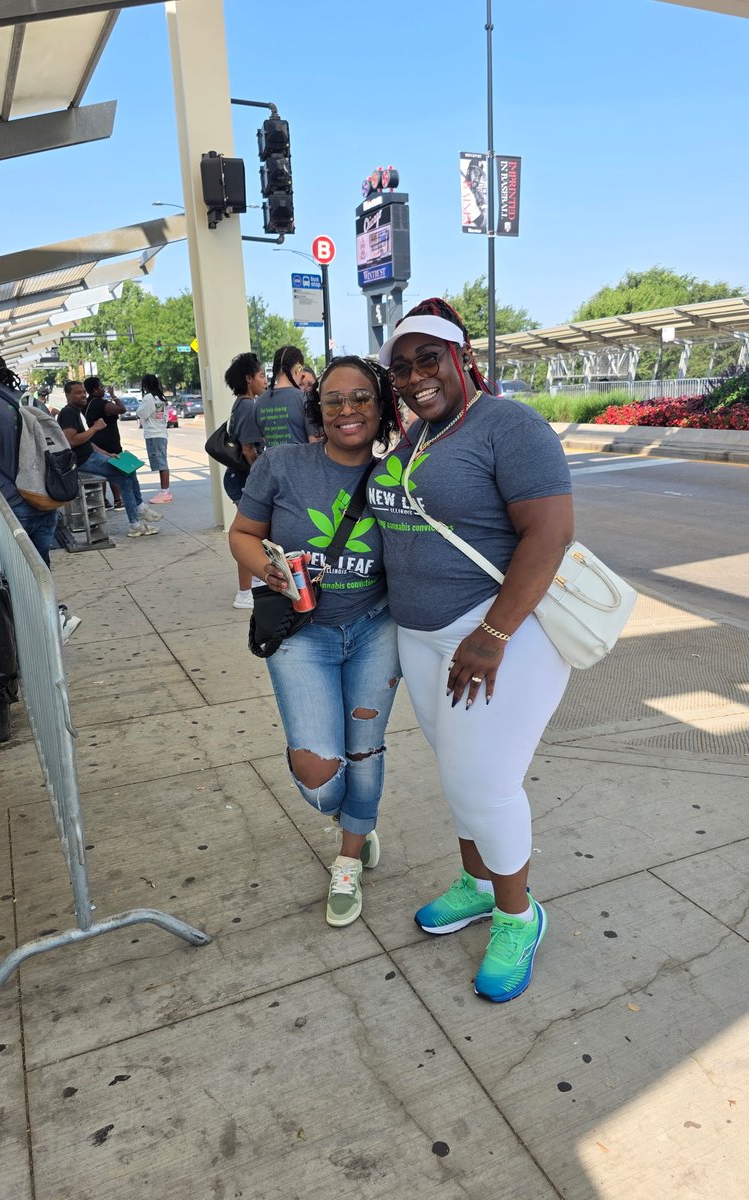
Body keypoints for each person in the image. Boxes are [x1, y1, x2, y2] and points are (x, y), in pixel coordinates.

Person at [370, 298, 574, 1004]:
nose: (416, 376)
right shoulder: (417, 439)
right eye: (401, 367)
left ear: (462, 360)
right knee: (458, 776)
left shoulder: (507, 425)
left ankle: (520, 915)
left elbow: (549, 534)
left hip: (497, 637)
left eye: (429, 359)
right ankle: (478, 884)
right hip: (424, 638)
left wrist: (491, 635)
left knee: (485, 784)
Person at [228, 356, 400, 928]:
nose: (348, 410)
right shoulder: (281, 465)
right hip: (302, 632)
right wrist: (268, 571)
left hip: (377, 627)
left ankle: (349, 855)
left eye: (362, 398)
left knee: (365, 752)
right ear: (317, 409)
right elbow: (243, 534)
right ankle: (351, 812)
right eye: (334, 401)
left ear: (381, 407)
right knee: (320, 779)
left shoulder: (397, 473)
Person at [0, 345, 81, 638]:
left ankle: (13, 638)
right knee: (38, 567)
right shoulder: (17, 397)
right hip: (42, 496)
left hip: (13, 503)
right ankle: (51, 622)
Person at [57, 382, 161, 538]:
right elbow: (71, 441)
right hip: (84, 461)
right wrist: (95, 428)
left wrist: (106, 453)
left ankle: (137, 520)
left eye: (84, 392)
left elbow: (85, 441)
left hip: (91, 456)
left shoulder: (74, 412)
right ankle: (138, 515)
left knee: (127, 470)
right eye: (78, 393)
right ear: (67, 395)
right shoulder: (68, 413)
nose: (83, 395)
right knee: (126, 475)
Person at [222, 352, 268, 609]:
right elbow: (249, 450)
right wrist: (259, 481)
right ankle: (244, 593)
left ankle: (254, 584)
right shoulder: (249, 406)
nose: (265, 380)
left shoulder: (240, 403)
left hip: (237, 479)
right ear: (249, 378)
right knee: (248, 536)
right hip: (244, 481)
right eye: (261, 375)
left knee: (255, 536)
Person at [251, 345, 321, 448]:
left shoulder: (259, 401)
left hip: (272, 462)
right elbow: (314, 442)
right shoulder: (303, 399)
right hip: (301, 462)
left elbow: (261, 440)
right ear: (298, 368)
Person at [84, 377, 125, 508]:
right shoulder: (102, 404)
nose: (103, 389)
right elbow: (121, 409)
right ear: (95, 390)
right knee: (115, 470)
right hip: (110, 440)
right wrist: (114, 396)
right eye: (101, 387)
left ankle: (102, 501)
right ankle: (117, 500)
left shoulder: (87, 403)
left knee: (100, 473)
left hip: (95, 439)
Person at [136, 373, 172, 503]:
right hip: (161, 433)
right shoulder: (160, 398)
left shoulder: (148, 398)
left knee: (161, 463)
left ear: (145, 385)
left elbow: (141, 413)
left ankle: (165, 492)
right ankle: (165, 491)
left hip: (153, 433)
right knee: (162, 461)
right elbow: (165, 416)